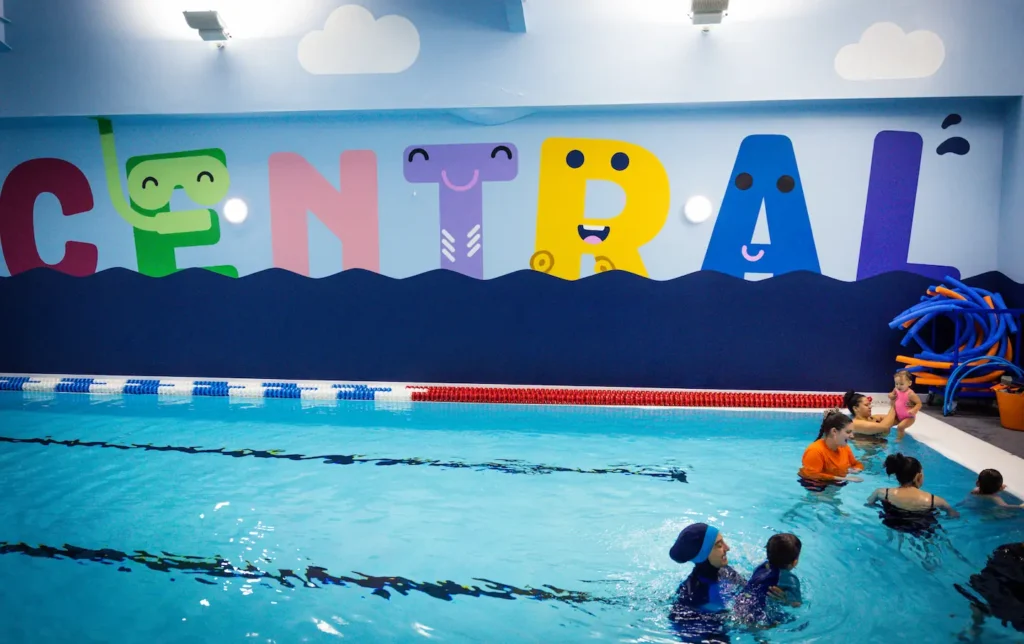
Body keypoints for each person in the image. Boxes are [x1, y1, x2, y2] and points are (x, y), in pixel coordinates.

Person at [667, 523, 747, 643]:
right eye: (719, 545)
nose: (727, 548)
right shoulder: (693, 595)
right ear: (704, 554)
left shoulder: (725, 571)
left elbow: (749, 591)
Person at [866, 453, 959, 537]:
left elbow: (869, 504)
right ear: (918, 477)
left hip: (892, 525)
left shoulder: (882, 493)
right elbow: (954, 515)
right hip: (922, 529)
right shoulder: (935, 500)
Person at [955, 540, 1024, 638]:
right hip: (1006, 601)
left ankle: (977, 621)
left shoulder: (1004, 551)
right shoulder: (1007, 552)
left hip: (991, 592)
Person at [732, 533, 802, 626]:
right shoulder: (791, 579)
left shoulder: (761, 567)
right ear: (795, 562)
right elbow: (797, 604)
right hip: (760, 612)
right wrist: (786, 600)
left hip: (740, 603)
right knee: (793, 621)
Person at [797, 409, 864, 487]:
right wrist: (845, 478)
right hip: (815, 484)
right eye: (848, 432)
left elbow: (856, 464)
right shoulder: (815, 451)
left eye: (852, 432)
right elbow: (812, 475)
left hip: (837, 482)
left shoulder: (845, 448)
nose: (852, 436)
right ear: (834, 431)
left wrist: (856, 470)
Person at [886, 370, 922, 440]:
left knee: (900, 427)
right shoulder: (896, 390)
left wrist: (914, 410)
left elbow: (919, 403)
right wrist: (890, 396)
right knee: (887, 424)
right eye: (896, 384)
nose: (898, 386)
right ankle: (886, 436)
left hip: (909, 417)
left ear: (909, 383)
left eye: (901, 384)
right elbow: (890, 394)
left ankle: (899, 440)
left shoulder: (910, 394)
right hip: (898, 415)